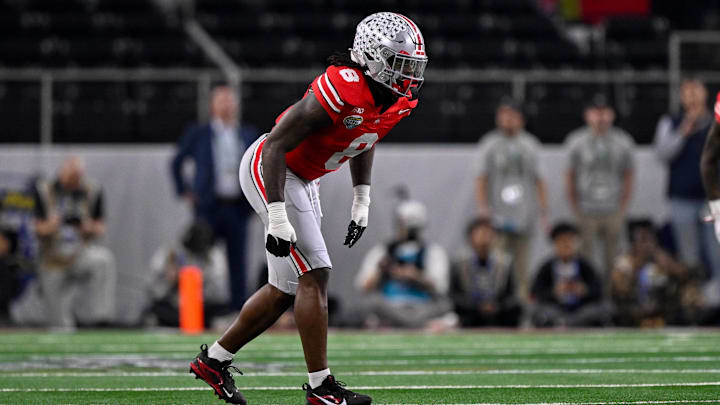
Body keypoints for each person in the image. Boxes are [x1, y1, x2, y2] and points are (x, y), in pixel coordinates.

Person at [189, 13, 428, 405]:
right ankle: (321, 388)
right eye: (399, 63)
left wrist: (361, 198)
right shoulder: (343, 85)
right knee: (315, 272)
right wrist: (278, 215)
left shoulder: (393, 100)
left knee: (285, 288)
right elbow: (275, 146)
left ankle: (214, 360)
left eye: (412, 65)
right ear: (371, 56)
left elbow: (366, 137)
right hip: (272, 168)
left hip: (305, 178)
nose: (408, 75)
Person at [171, 86, 257, 310]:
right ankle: (195, 308)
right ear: (212, 105)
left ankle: (238, 311)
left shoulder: (247, 134)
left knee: (238, 262)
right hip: (209, 206)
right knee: (199, 258)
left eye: (230, 101)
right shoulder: (199, 133)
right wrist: (185, 190)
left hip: (238, 207)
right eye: (222, 101)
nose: (226, 105)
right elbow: (176, 162)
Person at [475, 98, 548, 303]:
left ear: (521, 119)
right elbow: (481, 178)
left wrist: (542, 211)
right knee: (498, 265)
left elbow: (540, 180)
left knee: (522, 266)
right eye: (503, 115)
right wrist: (483, 209)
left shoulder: (531, 145)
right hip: (498, 216)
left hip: (524, 215)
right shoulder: (490, 144)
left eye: (512, 115)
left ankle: (522, 306)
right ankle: (497, 305)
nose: (507, 120)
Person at [33, 156, 116, 328]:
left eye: (77, 178)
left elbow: (101, 228)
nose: (73, 183)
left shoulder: (91, 190)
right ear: (62, 173)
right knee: (59, 324)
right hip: (52, 259)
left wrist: (87, 226)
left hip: (79, 253)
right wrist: (52, 225)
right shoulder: (44, 190)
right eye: (71, 178)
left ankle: (103, 317)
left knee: (103, 260)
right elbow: (36, 228)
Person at [656, 78, 719, 281]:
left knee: (716, 252)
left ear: (705, 94)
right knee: (688, 255)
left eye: (696, 91)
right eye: (687, 92)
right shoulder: (670, 123)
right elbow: (663, 154)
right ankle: (694, 301)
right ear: (681, 97)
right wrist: (683, 131)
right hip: (681, 199)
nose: (692, 96)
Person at [565, 94, 635, 278]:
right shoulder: (575, 141)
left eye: (604, 112)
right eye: (596, 112)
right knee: (584, 257)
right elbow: (570, 175)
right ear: (587, 115)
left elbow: (628, 176)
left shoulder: (623, 141)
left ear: (612, 115)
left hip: (613, 208)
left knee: (614, 258)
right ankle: (589, 296)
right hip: (585, 209)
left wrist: (623, 206)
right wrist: (574, 206)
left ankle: (612, 297)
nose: (600, 117)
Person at [355, 200, 452, 329]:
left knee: (445, 305)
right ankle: (419, 325)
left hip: (422, 307)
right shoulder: (382, 251)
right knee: (371, 304)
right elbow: (363, 287)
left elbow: (441, 287)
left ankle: (398, 325)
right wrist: (381, 270)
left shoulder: (433, 252)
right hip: (391, 306)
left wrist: (416, 276)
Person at [145, 221, 232, 327]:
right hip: (174, 304)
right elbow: (152, 287)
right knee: (156, 309)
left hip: (201, 304)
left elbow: (219, 291)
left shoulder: (214, 257)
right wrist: (169, 281)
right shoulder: (169, 253)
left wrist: (200, 283)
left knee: (222, 310)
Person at [610, 219, 691, 327]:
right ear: (634, 243)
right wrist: (637, 265)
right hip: (634, 308)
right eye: (643, 240)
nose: (647, 245)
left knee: (688, 294)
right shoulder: (625, 261)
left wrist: (668, 265)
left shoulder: (661, 257)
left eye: (650, 239)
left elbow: (684, 275)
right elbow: (620, 289)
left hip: (661, 307)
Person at [530, 223, 608, 327]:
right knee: (536, 310)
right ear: (555, 244)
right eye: (562, 241)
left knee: (603, 309)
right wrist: (554, 292)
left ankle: (571, 323)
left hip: (581, 310)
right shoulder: (546, 267)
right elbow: (536, 293)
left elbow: (598, 290)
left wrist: (584, 290)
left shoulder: (585, 266)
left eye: (570, 241)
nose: (566, 245)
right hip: (555, 310)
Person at [450, 217, 520, 327]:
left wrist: (496, 305)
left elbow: (511, 295)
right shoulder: (459, 262)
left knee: (516, 308)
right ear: (470, 237)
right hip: (471, 309)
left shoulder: (505, 262)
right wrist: (477, 306)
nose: (484, 238)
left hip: (497, 308)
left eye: (488, 234)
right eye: (480, 233)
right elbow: (454, 294)